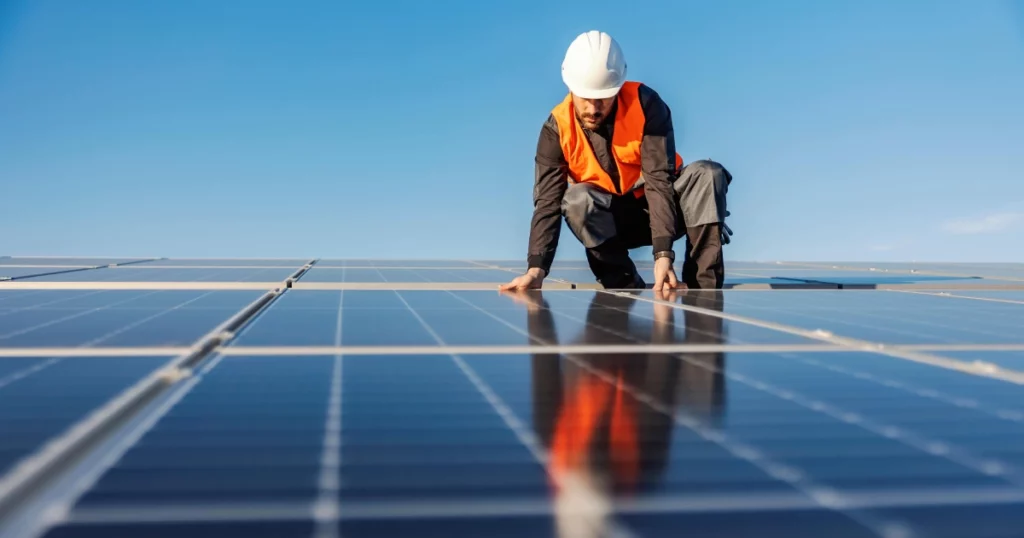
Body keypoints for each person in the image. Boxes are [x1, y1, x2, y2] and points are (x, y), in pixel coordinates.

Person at [499, 30, 733, 293]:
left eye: (603, 98)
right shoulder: (556, 130)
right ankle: (622, 285)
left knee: (707, 174)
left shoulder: (646, 104)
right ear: (570, 87)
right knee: (577, 201)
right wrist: (536, 269)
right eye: (586, 97)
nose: (593, 108)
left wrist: (663, 254)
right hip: (612, 222)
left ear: (618, 88)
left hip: (667, 209)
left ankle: (703, 289)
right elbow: (547, 204)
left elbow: (659, 180)